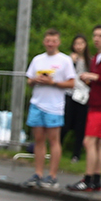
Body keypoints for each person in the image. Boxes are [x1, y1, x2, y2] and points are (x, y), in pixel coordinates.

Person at [21, 29, 77, 188]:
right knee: (38, 140)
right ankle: (38, 173)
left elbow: (72, 83)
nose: (50, 44)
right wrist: (36, 80)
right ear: (44, 42)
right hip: (37, 103)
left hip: (54, 106)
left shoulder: (65, 60)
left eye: (53, 41)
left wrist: (53, 83)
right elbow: (29, 80)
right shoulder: (38, 59)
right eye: (48, 41)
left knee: (54, 140)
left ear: (58, 42)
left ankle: (52, 175)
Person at [69, 24, 101, 192]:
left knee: (89, 141)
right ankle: (96, 179)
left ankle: (88, 178)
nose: (96, 39)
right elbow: (99, 82)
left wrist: (94, 76)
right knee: (97, 142)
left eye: (100, 36)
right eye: (95, 36)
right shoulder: (96, 57)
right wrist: (89, 80)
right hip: (96, 101)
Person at [63, 33, 90, 165]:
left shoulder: (90, 60)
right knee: (65, 124)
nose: (79, 46)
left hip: (83, 94)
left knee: (81, 126)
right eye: (76, 44)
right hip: (70, 93)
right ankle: (57, 149)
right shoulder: (68, 59)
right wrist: (72, 62)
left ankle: (76, 154)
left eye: (81, 43)